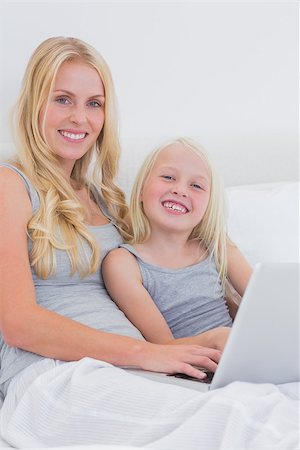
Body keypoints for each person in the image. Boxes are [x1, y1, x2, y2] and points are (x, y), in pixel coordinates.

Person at [0, 36, 223, 447]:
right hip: (55, 377)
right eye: (63, 99)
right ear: (35, 103)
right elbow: (17, 323)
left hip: (131, 371)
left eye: (94, 103)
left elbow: (157, 288)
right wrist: (145, 355)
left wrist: (207, 341)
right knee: (229, 424)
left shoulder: (109, 197)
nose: (80, 118)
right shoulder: (10, 185)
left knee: (262, 405)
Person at [102, 138, 253, 351]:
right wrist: (215, 339)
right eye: (168, 177)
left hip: (238, 355)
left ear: (209, 205)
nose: (180, 190)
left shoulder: (216, 246)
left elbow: (267, 303)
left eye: (196, 185)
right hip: (190, 369)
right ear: (142, 190)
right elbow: (163, 346)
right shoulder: (124, 263)